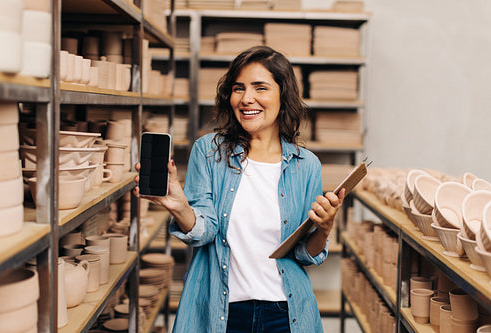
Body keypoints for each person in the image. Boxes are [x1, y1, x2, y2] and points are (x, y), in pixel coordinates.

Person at [134, 45, 345, 333]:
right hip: (222, 313)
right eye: (238, 88)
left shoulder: (306, 165)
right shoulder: (209, 151)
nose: (247, 99)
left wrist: (324, 228)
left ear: (283, 96)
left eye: (260, 88)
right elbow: (204, 232)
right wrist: (180, 207)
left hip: (286, 314)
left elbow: (304, 254)